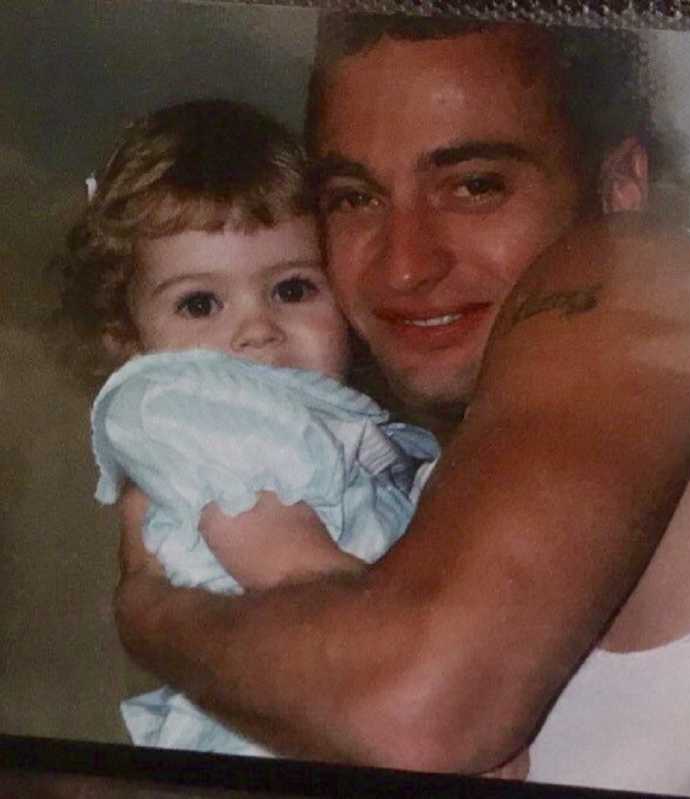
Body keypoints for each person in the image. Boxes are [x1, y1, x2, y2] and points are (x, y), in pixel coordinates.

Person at [113, 14, 690, 797]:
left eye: (475, 185)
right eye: (354, 197)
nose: (407, 264)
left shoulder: (640, 275)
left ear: (621, 186)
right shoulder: (445, 463)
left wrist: (153, 613)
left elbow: (414, 711)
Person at [61, 99, 441, 757]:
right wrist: (445, 697)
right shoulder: (196, 409)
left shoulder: (330, 423)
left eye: (293, 289)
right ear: (128, 338)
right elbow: (303, 580)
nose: (257, 328)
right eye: (200, 303)